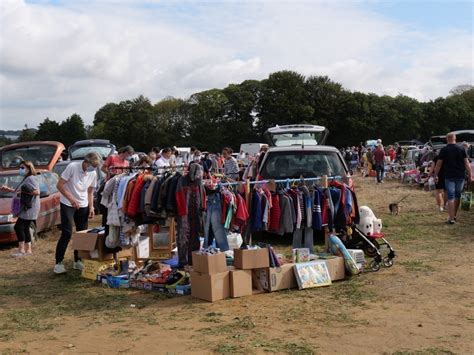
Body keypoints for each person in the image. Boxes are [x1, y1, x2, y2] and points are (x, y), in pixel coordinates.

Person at [54, 152, 101, 274]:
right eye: (92, 166)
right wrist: (71, 199)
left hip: (83, 204)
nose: (92, 169)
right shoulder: (72, 167)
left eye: (95, 167)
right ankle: (58, 263)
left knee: (82, 234)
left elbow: (90, 192)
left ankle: (78, 260)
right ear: (86, 162)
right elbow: (59, 185)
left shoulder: (93, 173)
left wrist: (91, 207)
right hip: (67, 203)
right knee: (67, 232)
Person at [0, 161, 40, 256]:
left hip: (28, 208)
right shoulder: (26, 178)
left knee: (18, 227)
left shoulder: (31, 179)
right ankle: (28, 250)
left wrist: (25, 191)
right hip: (26, 207)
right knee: (25, 228)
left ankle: (21, 250)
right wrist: (9, 189)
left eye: (22, 168)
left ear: (29, 169)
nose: (20, 169)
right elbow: (20, 191)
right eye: (20, 167)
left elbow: (37, 192)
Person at [434, 132, 473, 224]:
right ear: (455, 138)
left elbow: (438, 164)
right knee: (457, 196)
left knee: (451, 196)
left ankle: (451, 219)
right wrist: (470, 175)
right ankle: (454, 216)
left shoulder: (444, 150)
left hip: (448, 175)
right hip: (460, 175)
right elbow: (466, 163)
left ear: (447, 139)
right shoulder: (461, 149)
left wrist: (435, 175)